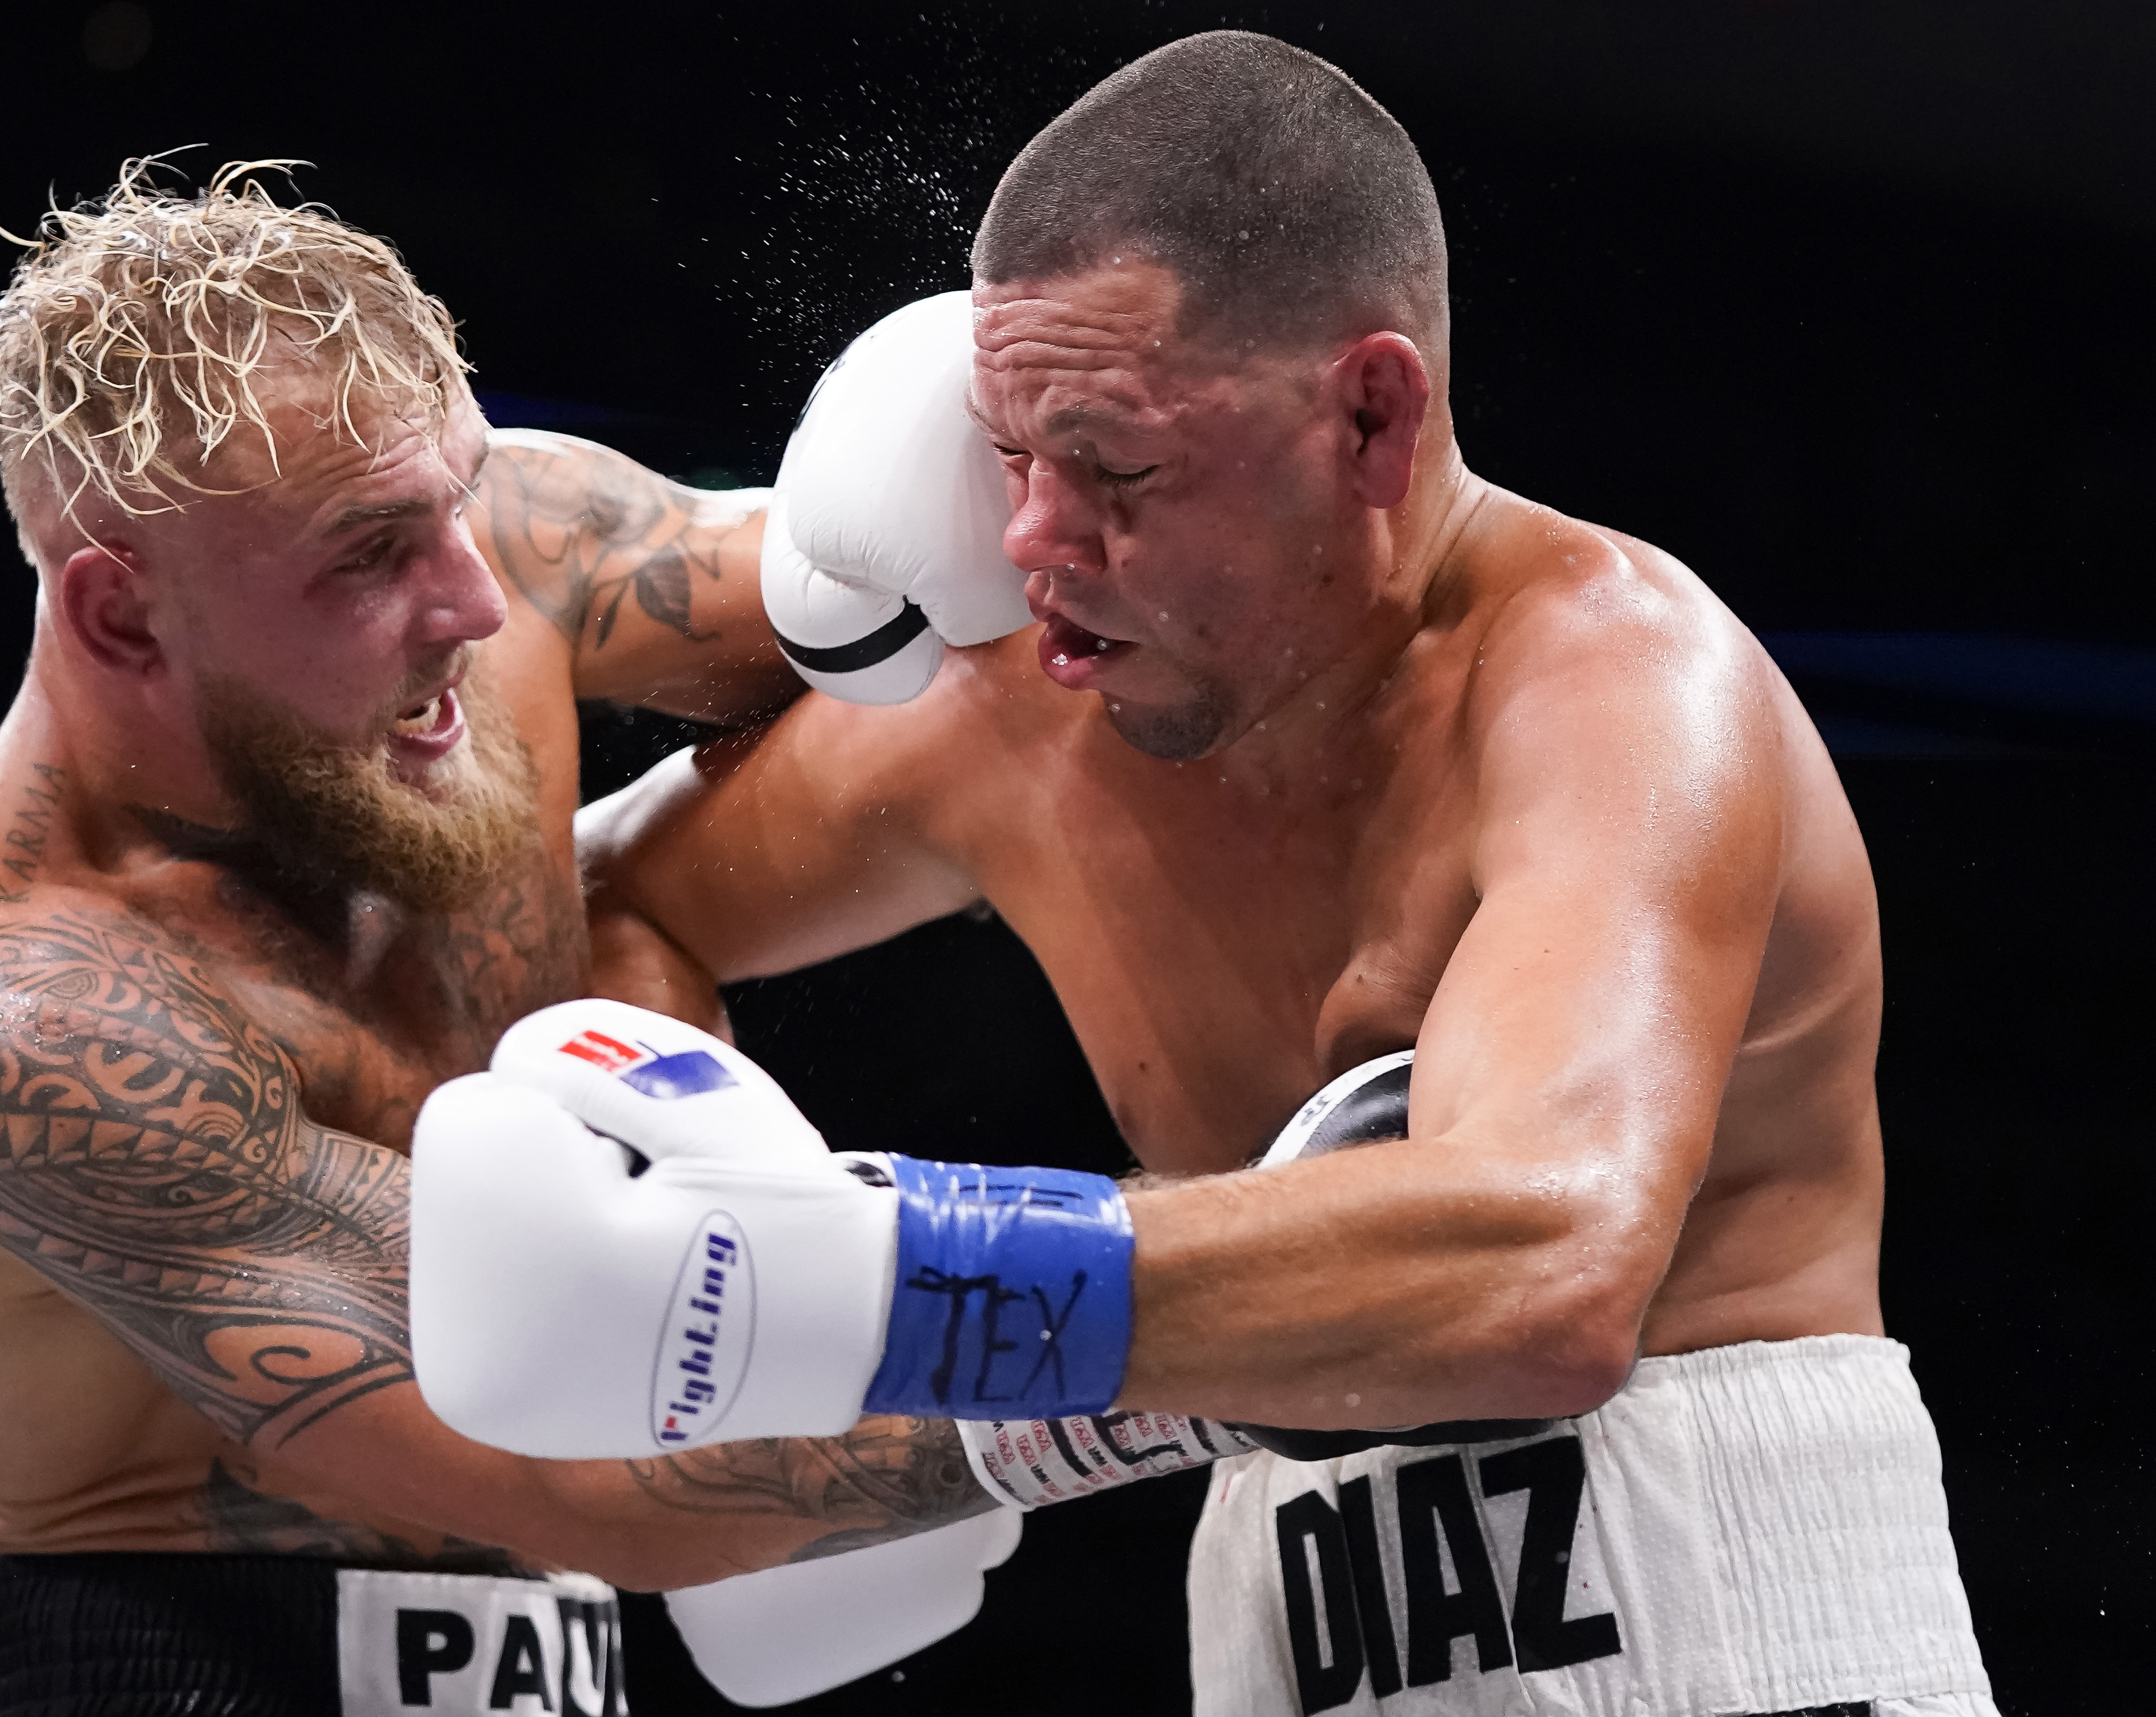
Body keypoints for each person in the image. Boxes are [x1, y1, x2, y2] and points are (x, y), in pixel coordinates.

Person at [429, 32, 1998, 1717]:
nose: (1034, 536)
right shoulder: (1022, 715)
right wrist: (725, 1243)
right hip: (1286, 1635)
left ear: (1372, 417)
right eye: (1012, 456)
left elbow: (1544, 1272)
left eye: (1115, 466)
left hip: (1750, 1645)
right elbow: (612, 904)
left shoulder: (1614, 683)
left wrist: (859, 1282)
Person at [0, 160, 1010, 1717]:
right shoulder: (20, 1023)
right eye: (371, 554)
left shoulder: (492, 548)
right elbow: (601, 1459)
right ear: (120, 617)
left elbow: (921, 613)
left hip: (569, 1668)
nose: (471, 596)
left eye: (456, 494)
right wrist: (1276, 1318)